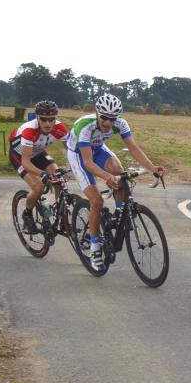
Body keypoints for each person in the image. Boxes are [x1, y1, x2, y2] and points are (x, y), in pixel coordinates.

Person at [66, 93, 165, 273]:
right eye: (104, 117)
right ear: (97, 113)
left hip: (98, 148)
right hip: (79, 155)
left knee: (121, 174)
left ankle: (120, 213)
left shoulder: (121, 123)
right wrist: (106, 176)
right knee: (96, 201)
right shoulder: (85, 126)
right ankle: (95, 247)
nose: (108, 123)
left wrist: (152, 167)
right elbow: (88, 163)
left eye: (112, 119)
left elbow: (133, 148)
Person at [8, 100, 69, 234]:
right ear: (37, 118)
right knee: (38, 187)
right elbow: (26, 162)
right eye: (43, 119)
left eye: (51, 119)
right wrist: (42, 174)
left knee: (59, 179)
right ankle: (27, 214)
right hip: (20, 157)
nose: (48, 123)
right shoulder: (30, 130)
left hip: (38, 153)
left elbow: (72, 151)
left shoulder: (60, 128)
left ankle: (62, 216)